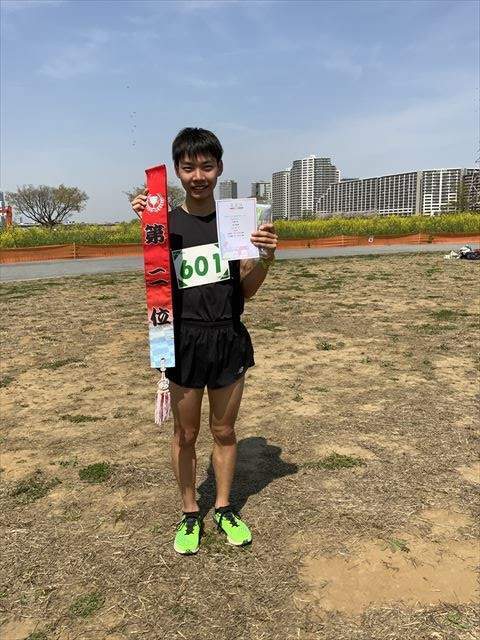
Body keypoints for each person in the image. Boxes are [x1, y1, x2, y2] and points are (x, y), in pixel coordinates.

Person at [131, 127, 277, 555]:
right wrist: (146, 219)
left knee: (225, 431)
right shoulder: (164, 225)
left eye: (207, 167)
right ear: (177, 171)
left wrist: (266, 257)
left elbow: (247, 290)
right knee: (185, 433)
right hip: (184, 342)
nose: (199, 176)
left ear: (220, 169)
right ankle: (190, 511)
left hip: (228, 337)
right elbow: (156, 279)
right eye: (189, 167)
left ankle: (225, 507)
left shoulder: (237, 221)